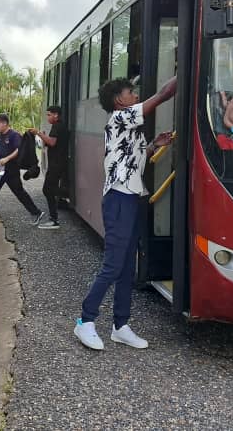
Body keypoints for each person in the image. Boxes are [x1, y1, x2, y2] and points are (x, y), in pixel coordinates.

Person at [74, 75, 176, 351]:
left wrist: (155, 145)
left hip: (131, 197)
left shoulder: (129, 126)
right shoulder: (120, 118)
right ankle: (85, 321)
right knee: (113, 264)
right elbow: (163, 95)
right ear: (120, 100)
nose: (135, 96)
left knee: (127, 266)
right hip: (118, 197)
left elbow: (134, 156)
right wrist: (185, 70)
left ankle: (120, 326)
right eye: (131, 92)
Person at [0, 114, 44, 225]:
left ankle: (36, 213)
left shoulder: (14, 135)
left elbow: (18, 150)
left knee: (19, 193)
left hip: (11, 169)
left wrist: (7, 159)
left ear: (5, 123)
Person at [29, 105, 67, 229]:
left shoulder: (58, 125)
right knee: (50, 189)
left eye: (49, 114)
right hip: (56, 163)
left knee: (47, 189)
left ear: (56, 115)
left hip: (56, 164)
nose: (48, 117)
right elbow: (51, 143)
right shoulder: (58, 126)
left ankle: (54, 219)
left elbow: (52, 142)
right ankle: (55, 212)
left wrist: (38, 133)